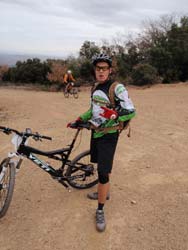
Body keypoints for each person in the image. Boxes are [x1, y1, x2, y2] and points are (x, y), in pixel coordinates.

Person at [67, 53, 136, 232]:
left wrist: (114, 115)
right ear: (95, 71)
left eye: (104, 68)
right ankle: (104, 191)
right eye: (98, 68)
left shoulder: (117, 88)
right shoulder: (95, 88)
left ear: (110, 70)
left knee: (103, 172)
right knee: (98, 165)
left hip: (109, 134)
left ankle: (100, 209)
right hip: (95, 133)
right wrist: (79, 119)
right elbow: (93, 109)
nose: (101, 71)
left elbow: (131, 110)